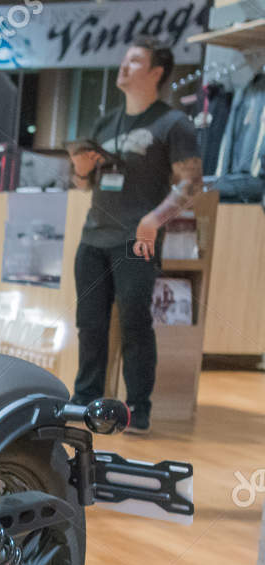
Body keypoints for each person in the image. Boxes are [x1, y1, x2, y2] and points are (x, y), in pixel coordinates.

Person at [68, 39, 201, 433]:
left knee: (134, 323)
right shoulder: (105, 123)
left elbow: (191, 183)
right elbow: (84, 185)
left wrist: (155, 219)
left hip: (136, 239)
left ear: (156, 72)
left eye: (135, 61)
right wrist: (79, 168)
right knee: (89, 324)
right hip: (94, 237)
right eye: (124, 60)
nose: (123, 67)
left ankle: (137, 409)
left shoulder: (173, 123)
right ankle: (84, 400)